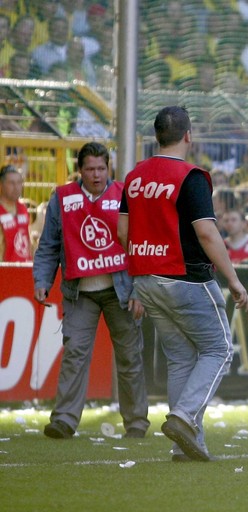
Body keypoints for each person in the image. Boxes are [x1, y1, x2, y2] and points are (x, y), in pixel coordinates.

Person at [118, 106, 248, 462]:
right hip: (186, 278)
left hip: (145, 278)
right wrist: (234, 280)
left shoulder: (135, 177)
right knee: (219, 351)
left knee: (180, 359)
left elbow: (123, 232)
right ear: (188, 135)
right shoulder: (190, 177)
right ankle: (184, 416)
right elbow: (206, 233)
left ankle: (187, 446)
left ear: (156, 136)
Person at [32, 142, 149, 439]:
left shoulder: (124, 194)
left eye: (101, 168)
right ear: (79, 170)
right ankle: (64, 420)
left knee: (130, 356)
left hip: (120, 290)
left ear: (108, 168)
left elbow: (139, 244)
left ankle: (136, 423)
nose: (97, 175)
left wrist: (141, 290)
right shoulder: (61, 198)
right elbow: (49, 244)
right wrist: (42, 280)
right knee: (75, 354)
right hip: (79, 291)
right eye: (90, 169)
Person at [0, 164, 32, 262]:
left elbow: (27, 240)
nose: (16, 187)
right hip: (5, 270)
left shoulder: (23, 208)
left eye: (19, 182)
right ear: (1, 185)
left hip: (24, 268)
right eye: (11, 183)